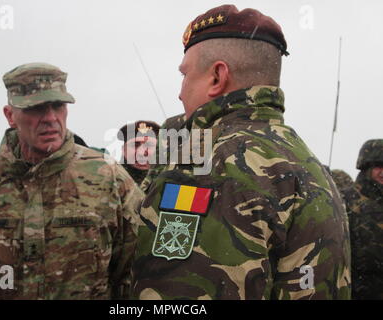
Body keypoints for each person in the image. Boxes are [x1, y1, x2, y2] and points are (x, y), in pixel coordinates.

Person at [132, 5, 350, 300]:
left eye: (185, 75)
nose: (180, 92)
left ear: (216, 77)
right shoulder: (307, 160)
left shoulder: (205, 163)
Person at [0, 62, 143, 300]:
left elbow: (139, 268)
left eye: (58, 106)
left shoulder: (108, 178)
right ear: (10, 115)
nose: (50, 118)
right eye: (36, 108)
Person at [343, 139, 383, 299]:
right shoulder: (345, 200)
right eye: (378, 166)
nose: (382, 172)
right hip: (354, 290)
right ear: (366, 168)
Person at [117, 121, 160, 185]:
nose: (141, 153)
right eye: (135, 145)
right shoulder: (107, 179)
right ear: (124, 150)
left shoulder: (174, 181)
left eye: (149, 145)